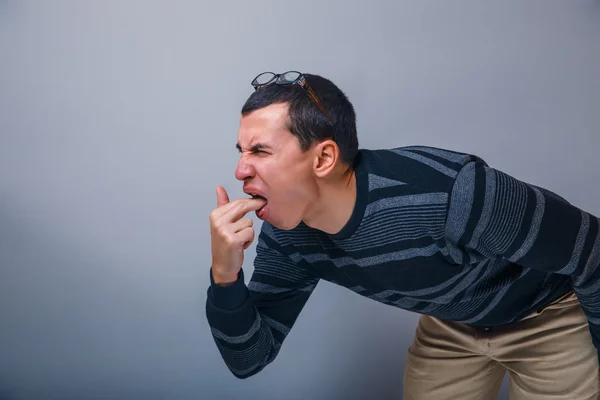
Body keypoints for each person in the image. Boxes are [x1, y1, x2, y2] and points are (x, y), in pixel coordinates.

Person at [205, 71, 600, 399]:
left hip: (550, 315)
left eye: (259, 151)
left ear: (324, 158)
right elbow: (249, 359)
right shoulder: (287, 234)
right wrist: (225, 276)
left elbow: (592, 249)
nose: (240, 171)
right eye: (241, 151)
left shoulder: (450, 193)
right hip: (453, 324)